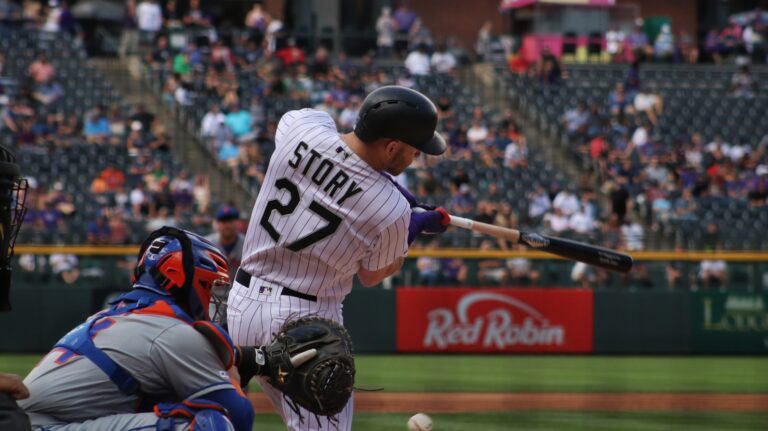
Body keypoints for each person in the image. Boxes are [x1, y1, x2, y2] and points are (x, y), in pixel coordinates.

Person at [227, 85, 448, 431]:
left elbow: (332, 147)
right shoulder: (391, 210)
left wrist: (384, 189)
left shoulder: (302, 127)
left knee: (219, 415)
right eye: (414, 151)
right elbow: (373, 276)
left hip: (239, 305)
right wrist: (409, 230)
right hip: (304, 324)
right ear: (391, 147)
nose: (417, 157)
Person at [19, 227, 255, 430]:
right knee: (210, 424)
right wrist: (230, 372)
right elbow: (239, 418)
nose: (212, 297)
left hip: (29, 423)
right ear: (177, 275)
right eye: (209, 286)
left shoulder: (118, 315)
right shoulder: (172, 331)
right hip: (44, 426)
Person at [205, 205, 245, 325]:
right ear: (217, 224)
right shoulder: (207, 244)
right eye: (223, 221)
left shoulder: (247, 244)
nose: (227, 225)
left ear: (236, 223)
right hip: (214, 298)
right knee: (212, 329)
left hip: (240, 300)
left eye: (230, 221)